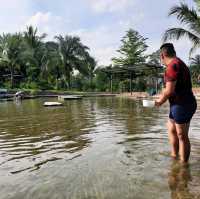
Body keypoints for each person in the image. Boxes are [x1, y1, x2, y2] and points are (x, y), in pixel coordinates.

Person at [155, 43, 197, 163]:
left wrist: (159, 102)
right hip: (179, 104)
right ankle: (174, 157)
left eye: (160, 57)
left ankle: (183, 165)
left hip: (182, 105)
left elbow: (169, 91)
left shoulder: (172, 66)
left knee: (182, 136)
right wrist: (163, 95)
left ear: (162, 55)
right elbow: (173, 88)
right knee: (171, 129)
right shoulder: (179, 63)